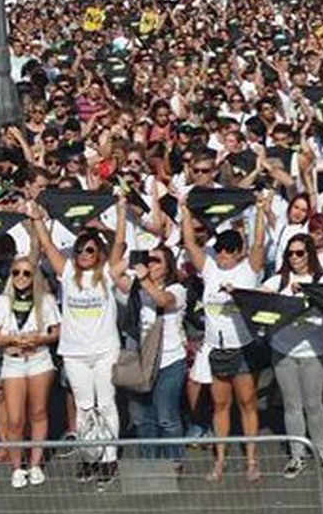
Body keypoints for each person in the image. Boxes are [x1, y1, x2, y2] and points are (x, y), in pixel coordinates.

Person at [34, 205, 125, 486]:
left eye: (90, 250)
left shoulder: (108, 273)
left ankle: (109, 459)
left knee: (106, 404)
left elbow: (120, 242)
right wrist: (37, 218)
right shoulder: (67, 272)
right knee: (85, 407)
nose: (84, 255)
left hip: (105, 350)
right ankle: (89, 457)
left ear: (99, 254)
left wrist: (121, 211)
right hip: (74, 353)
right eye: (80, 250)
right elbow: (47, 245)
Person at [180, 200, 268, 481]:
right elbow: (190, 244)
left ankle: (252, 460)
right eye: (219, 251)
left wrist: (261, 211)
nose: (223, 256)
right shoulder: (210, 270)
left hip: (241, 347)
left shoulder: (248, 270)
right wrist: (185, 211)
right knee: (220, 406)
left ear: (238, 253)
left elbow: (258, 245)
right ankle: (219, 461)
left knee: (247, 403)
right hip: (216, 348)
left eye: (229, 252)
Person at [0, 253, 59, 488]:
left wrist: (38, 338)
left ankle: (36, 464)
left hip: (39, 359)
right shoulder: (2, 301)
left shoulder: (46, 301)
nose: (21, 277)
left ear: (34, 276)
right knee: (15, 418)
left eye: (26, 273)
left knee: (38, 413)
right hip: (13, 361)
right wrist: (13, 339)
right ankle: (17, 467)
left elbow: (56, 332)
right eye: (16, 272)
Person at [265, 232, 323, 477]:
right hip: (284, 350)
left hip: (314, 351)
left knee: (314, 403)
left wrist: (308, 290)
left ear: (309, 254)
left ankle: (321, 449)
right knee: (292, 405)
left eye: (300, 253)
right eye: (290, 253)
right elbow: (261, 295)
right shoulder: (279, 280)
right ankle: (297, 455)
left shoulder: (321, 278)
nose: (295, 258)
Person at [118, 244, 187, 462]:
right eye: (149, 260)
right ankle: (150, 462)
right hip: (138, 361)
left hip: (169, 361)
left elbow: (162, 300)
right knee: (142, 418)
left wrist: (145, 278)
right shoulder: (135, 289)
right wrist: (132, 258)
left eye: (157, 260)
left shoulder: (177, 289)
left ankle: (174, 460)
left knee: (166, 417)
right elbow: (113, 273)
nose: (151, 264)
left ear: (168, 267)